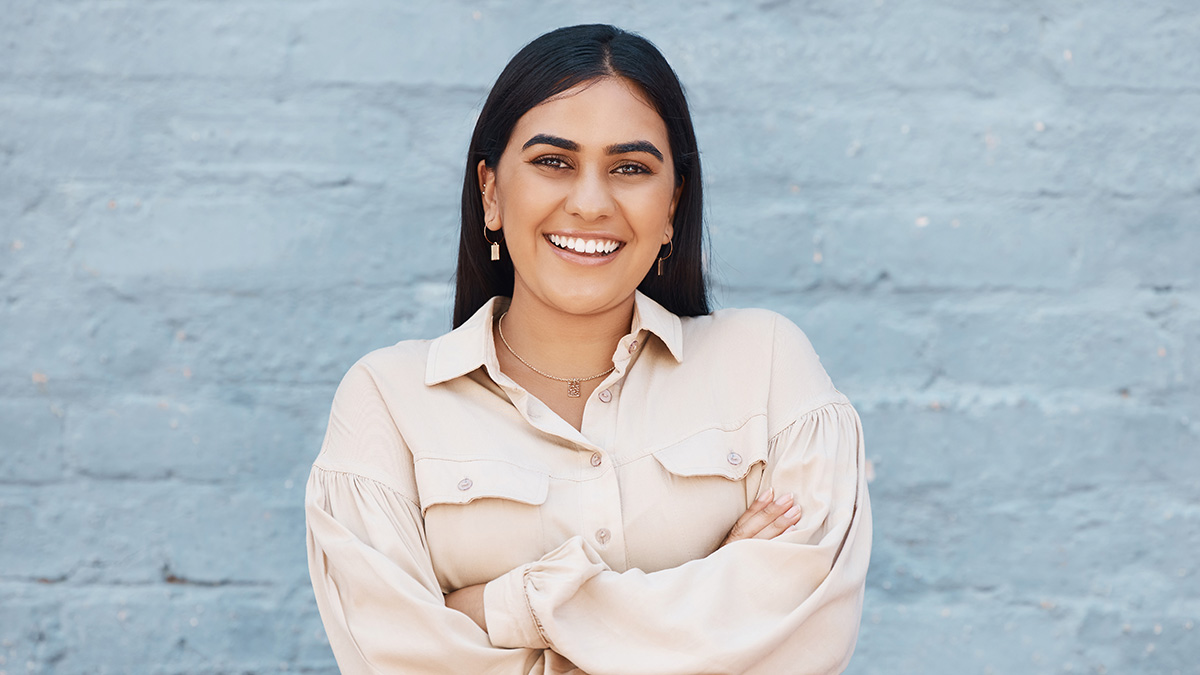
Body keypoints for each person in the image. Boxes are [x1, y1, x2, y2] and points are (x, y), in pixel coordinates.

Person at [305, 23, 871, 675]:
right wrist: (715, 594)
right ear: (491, 190)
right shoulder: (389, 400)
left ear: (672, 204)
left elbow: (798, 644)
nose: (591, 202)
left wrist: (502, 607)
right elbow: (399, 662)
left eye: (630, 168)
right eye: (554, 162)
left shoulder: (766, 365)